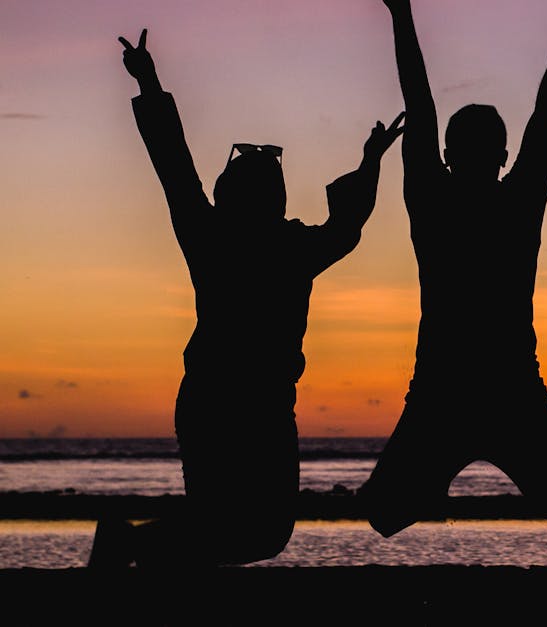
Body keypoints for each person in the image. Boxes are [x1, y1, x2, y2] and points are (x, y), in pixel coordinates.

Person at [88, 29, 403, 568]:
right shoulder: (284, 244)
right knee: (250, 532)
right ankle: (131, 548)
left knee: (245, 531)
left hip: (232, 403)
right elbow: (346, 226)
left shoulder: (216, 234)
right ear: (272, 197)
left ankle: (132, 547)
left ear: (225, 192)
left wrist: (149, 82)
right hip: (237, 403)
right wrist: (370, 162)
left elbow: (175, 168)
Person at [357, 0, 547, 537]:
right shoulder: (518, 196)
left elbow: (419, 103)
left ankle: (433, 477)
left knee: (384, 514)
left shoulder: (433, 194)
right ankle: (435, 476)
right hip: (495, 383)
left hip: (461, 384)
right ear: (505, 153)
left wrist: (400, 15)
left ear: (446, 153)